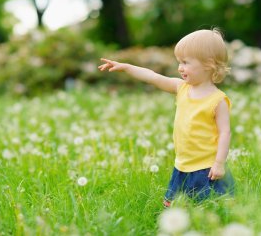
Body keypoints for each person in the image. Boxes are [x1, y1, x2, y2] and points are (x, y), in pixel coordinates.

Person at [98, 29, 235, 207]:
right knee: (178, 207)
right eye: (179, 62)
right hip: (183, 163)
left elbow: (225, 132)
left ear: (208, 64)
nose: (180, 67)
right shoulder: (181, 87)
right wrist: (127, 67)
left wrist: (218, 163)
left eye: (185, 62)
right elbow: (153, 77)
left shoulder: (217, 100)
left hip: (205, 167)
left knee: (208, 207)